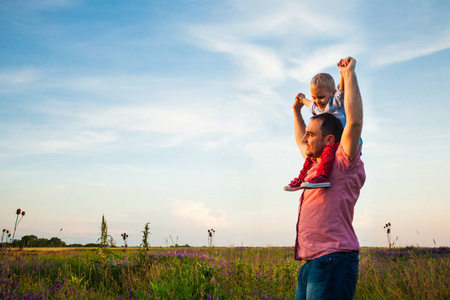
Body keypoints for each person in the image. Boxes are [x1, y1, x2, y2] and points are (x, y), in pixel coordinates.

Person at [292, 57, 365, 300]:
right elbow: (300, 143)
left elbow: (353, 123)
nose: (305, 139)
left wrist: (349, 74)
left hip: (334, 258)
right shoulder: (316, 164)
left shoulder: (343, 161)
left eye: (310, 135)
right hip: (311, 262)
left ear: (329, 140)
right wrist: (296, 112)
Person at [284, 71, 346, 191]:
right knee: (310, 157)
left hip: (342, 143)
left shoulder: (335, 104)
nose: (317, 101)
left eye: (321, 97)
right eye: (314, 97)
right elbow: (311, 105)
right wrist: (302, 100)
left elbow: (342, 91)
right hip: (329, 144)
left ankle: (322, 176)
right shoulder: (320, 111)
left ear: (333, 93)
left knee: (328, 150)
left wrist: (343, 74)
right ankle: (301, 178)